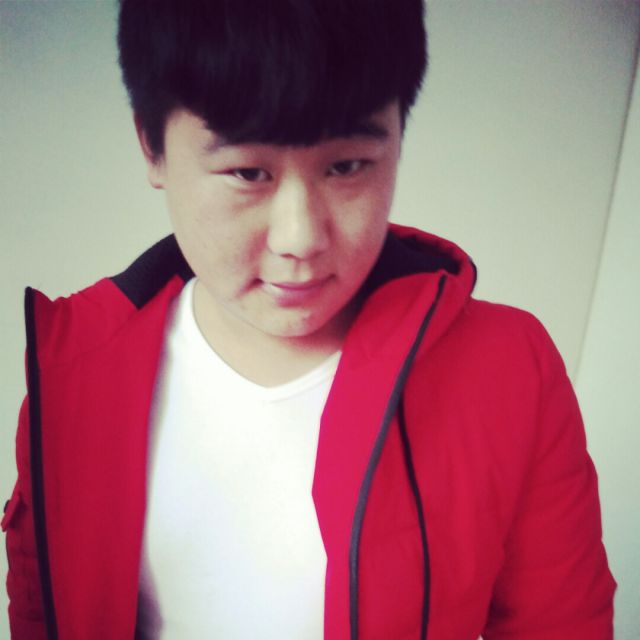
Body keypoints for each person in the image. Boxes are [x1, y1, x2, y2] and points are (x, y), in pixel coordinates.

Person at [3, 1, 615, 638]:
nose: (299, 238)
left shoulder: (507, 372)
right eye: (248, 172)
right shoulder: (72, 372)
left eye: (346, 167)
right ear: (152, 146)